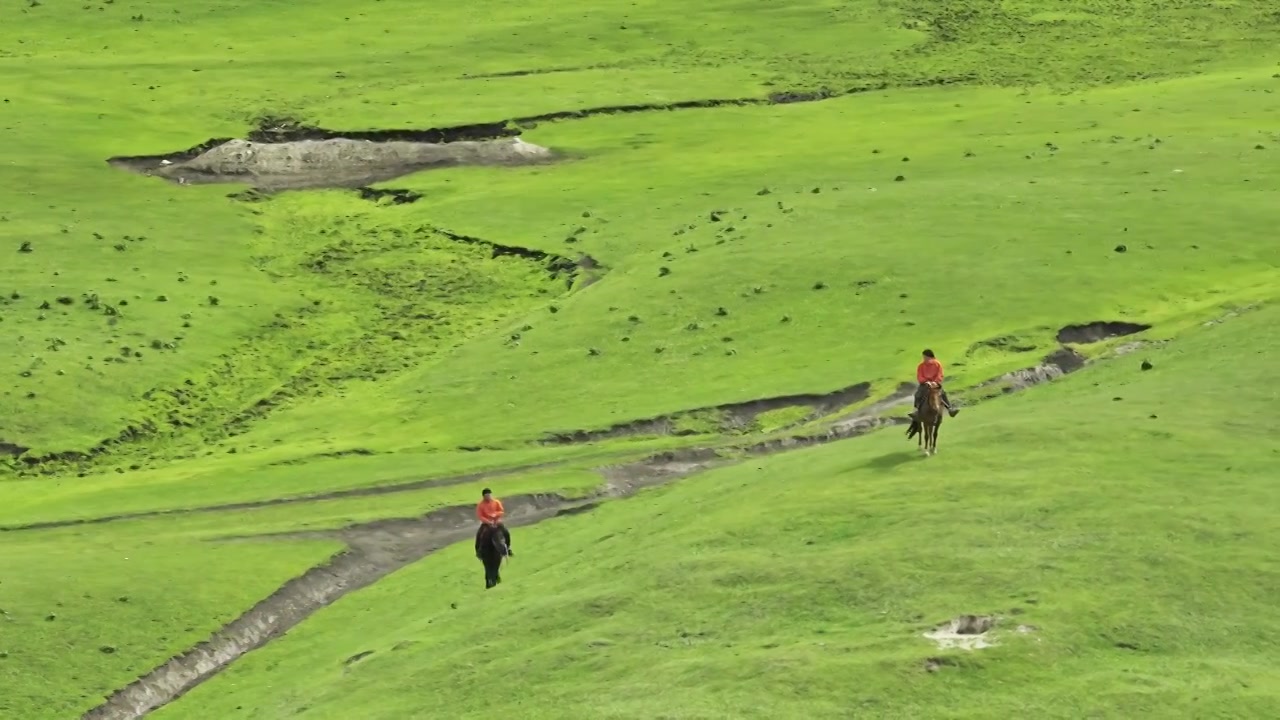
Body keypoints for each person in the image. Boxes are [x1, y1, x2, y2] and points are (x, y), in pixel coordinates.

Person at [908, 349, 959, 421]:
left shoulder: (937, 364)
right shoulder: (921, 366)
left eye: (925, 357)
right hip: (925, 384)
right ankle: (916, 411)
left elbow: (940, 374)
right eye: (924, 357)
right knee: (917, 394)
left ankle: (950, 409)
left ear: (930, 357)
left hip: (935, 384)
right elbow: (919, 376)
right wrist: (926, 382)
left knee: (943, 393)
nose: (924, 359)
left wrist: (935, 382)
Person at [475, 487, 513, 558]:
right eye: (486, 496)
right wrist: (488, 521)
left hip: (496, 521)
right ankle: (478, 551)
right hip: (486, 523)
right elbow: (480, 516)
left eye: (489, 495)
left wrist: (496, 516)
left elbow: (501, 511)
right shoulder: (480, 505)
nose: (488, 497)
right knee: (479, 535)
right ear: (484, 496)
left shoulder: (496, 502)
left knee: (506, 532)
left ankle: (508, 548)